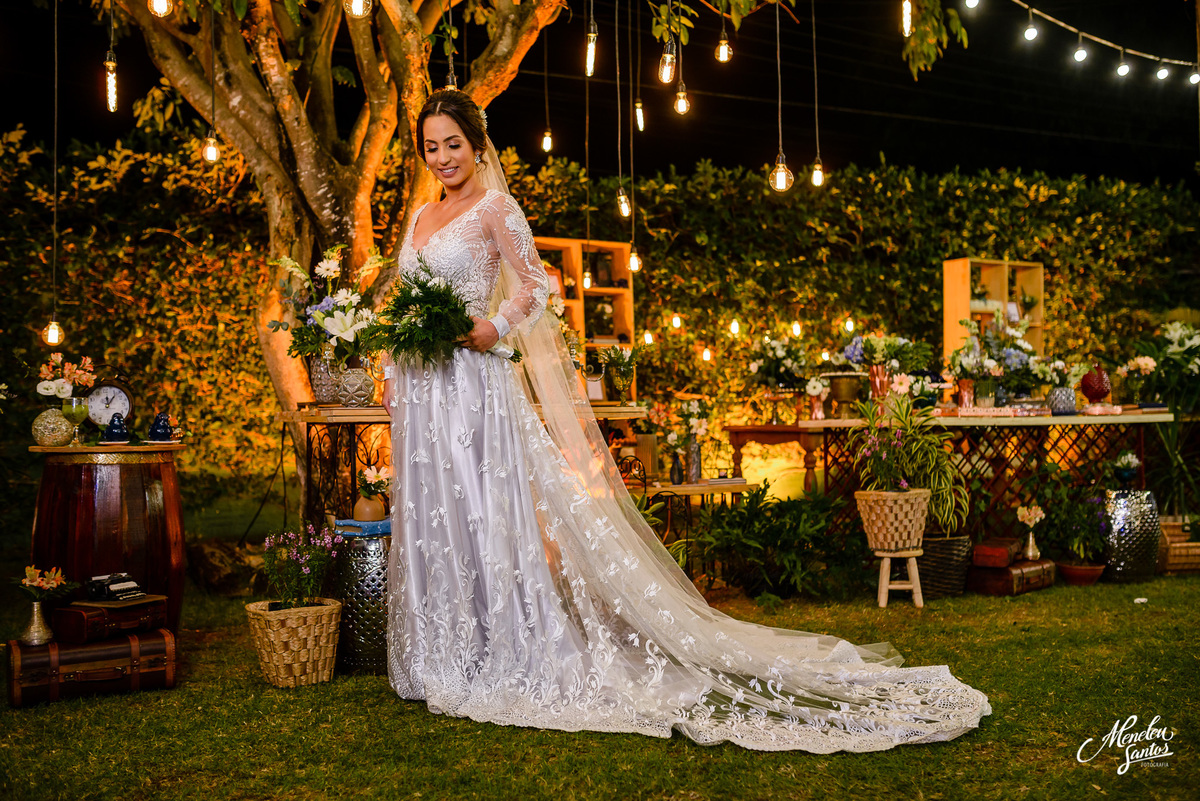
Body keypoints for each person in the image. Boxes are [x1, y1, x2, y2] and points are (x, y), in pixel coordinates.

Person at [384, 89, 991, 752]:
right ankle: (445, 653)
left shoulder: (496, 207)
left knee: (482, 513)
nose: (443, 156)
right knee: (436, 516)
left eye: (453, 143)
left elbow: (537, 286)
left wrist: (493, 323)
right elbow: (405, 297)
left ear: (477, 144)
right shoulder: (420, 214)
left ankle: (501, 648)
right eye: (432, 146)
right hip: (424, 393)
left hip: (476, 383)